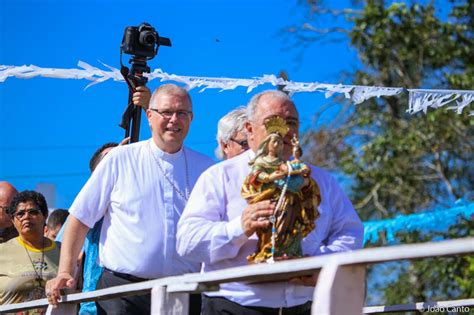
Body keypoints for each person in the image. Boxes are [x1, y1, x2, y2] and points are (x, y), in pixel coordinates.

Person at [177, 90, 364, 314]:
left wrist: (318, 263)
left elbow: (349, 232)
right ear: (250, 129)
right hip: (234, 306)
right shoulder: (219, 176)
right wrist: (238, 227)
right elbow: (187, 242)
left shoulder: (321, 180)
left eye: (291, 122)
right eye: (272, 122)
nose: (283, 131)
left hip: (304, 306)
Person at [46, 84, 214, 315]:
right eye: (166, 112)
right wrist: (65, 271)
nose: (174, 119)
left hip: (184, 292)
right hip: (123, 293)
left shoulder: (206, 168)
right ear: (150, 116)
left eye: (182, 113)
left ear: (191, 118)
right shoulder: (120, 160)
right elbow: (79, 219)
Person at [242, 117, 320, 263]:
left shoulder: (283, 163)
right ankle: (269, 248)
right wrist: (270, 177)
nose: (278, 144)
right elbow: (256, 175)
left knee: (290, 221)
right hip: (270, 198)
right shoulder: (261, 161)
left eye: (292, 123)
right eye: (275, 141)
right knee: (273, 222)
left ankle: (288, 248)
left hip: (286, 197)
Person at [0, 190, 59, 314]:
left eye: (33, 212)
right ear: (13, 221)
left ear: (45, 215)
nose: (26, 217)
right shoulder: (2, 251)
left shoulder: (63, 252)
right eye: (20, 214)